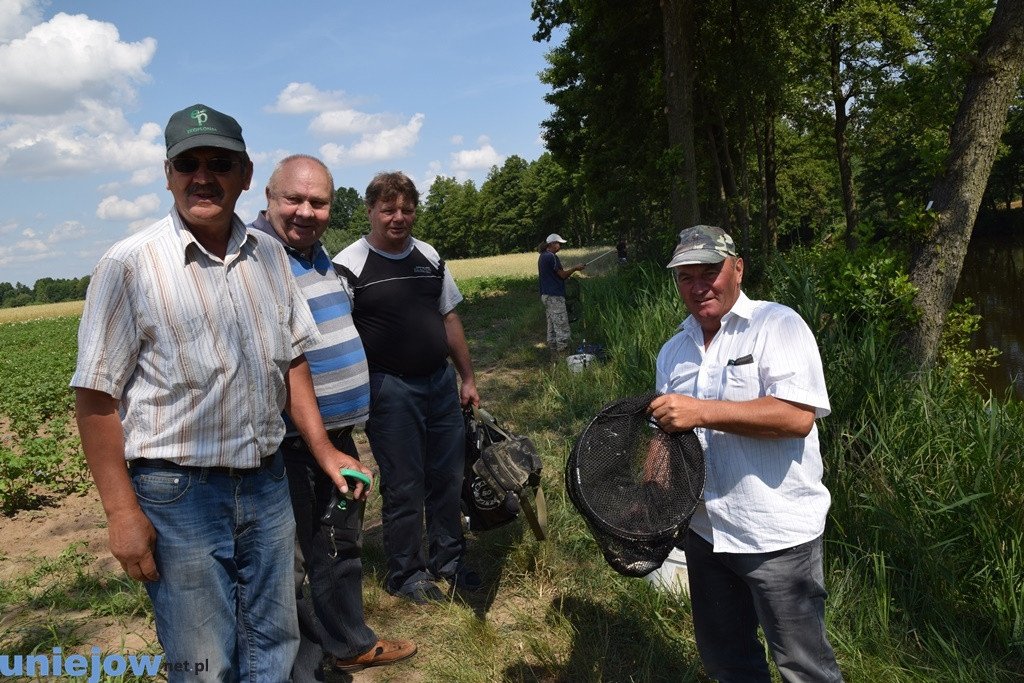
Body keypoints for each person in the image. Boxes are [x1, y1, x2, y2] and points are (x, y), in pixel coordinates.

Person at [71, 104, 365, 682]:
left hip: (267, 480)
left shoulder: (271, 257)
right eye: (188, 163)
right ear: (168, 173)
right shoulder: (129, 266)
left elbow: (294, 358)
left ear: (245, 173)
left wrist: (325, 449)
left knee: (273, 642)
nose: (203, 176)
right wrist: (121, 512)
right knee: (204, 658)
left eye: (219, 162)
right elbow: (96, 399)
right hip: (179, 493)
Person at [647, 225, 844, 682]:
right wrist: (653, 488)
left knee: (803, 666)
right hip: (704, 533)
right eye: (685, 277)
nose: (699, 286)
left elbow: (797, 416)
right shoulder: (673, 351)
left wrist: (701, 412)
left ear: (737, 268)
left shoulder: (778, 325)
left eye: (710, 271)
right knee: (727, 663)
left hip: (775, 535)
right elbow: (665, 429)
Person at [249, 155, 417, 679]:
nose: (305, 211)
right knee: (299, 557)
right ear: (269, 201)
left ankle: (348, 641)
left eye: (317, 202)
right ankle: (309, 661)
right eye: (293, 200)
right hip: (297, 442)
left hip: (338, 435)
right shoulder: (257, 260)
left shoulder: (318, 256)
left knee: (341, 538)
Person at [333, 171, 481, 605]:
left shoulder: (429, 256)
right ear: (371, 211)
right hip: (388, 389)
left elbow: (449, 317)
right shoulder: (349, 265)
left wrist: (467, 377)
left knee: (448, 477)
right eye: (388, 209)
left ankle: (449, 562)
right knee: (404, 483)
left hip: (439, 382)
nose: (399, 217)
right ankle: (407, 573)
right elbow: (337, 335)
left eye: (407, 209)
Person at [538, 233, 584, 361]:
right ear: (552, 244)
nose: (561, 246)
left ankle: (554, 357)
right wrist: (575, 268)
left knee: (552, 326)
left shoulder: (543, 256)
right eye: (559, 243)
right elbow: (562, 275)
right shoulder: (551, 257)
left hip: (546, 296)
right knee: (562, 326)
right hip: (554, 297)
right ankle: (564, 357)